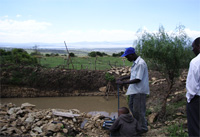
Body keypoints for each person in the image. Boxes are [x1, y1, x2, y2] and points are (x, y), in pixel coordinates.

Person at [116, 47, 150, 134]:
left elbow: (138, 79)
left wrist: (123, 83)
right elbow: (133, 75)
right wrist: (123, 77)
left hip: (139, 91)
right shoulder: (135, 63)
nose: (127, 58)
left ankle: (143, 128)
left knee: (139, 111)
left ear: (132, 55)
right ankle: (139, 125)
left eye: (127, 57)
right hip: (134, 90)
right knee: (133, 109)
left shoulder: (140, 63)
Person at [186, 37, 200, 137]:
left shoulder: (195, 62)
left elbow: (192, 87)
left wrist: (189, 99)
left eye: (193, 47)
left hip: (197, 100)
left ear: (199, 47)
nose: (192, 50)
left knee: (196, 128)